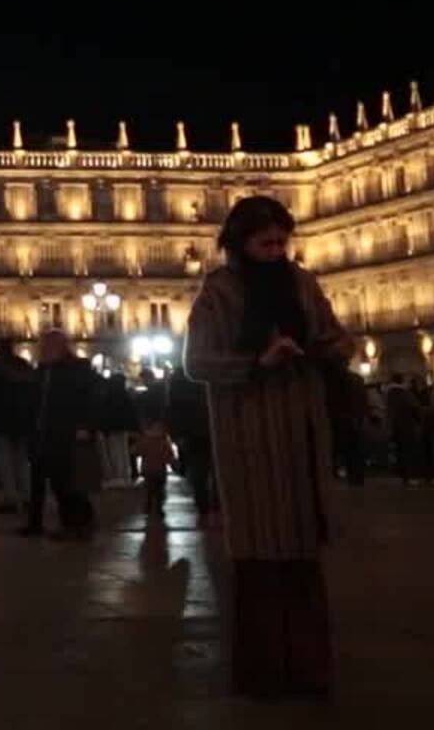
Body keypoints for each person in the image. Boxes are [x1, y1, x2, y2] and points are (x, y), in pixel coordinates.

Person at [184, 195, 352, 699]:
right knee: (258, 553)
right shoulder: (219, 292)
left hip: (301, 425)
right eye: (265, 243)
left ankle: (309, 667)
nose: (275, 251)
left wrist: (330, 347)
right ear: (240, 243)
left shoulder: (303, 283)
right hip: (248, 433)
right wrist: (258, 361)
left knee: (303, 549)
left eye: (281, 242)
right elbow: (198, 363)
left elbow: (334, 333)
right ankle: (262, 671)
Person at [22, 330, 98, 538]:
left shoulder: (77, 369)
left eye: (47, 346)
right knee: (40, 479)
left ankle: (77, 523)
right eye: (42, 346)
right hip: (41, 432)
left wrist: (84, 426)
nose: (43, 349)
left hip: (65, 432)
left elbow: (89, 400)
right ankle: (35, 523)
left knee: (66, 481)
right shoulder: (41, 371)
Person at [0, 341, 40, 515]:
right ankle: (27, 496)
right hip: (23, 421)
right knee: (22, 461)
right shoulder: (24, 366)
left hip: (1, 420)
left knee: (5, 462)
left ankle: (11, 498)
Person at [165, 366, 216, 521]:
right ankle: (217, 504)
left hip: (190, 433)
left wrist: (176, 434)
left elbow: (172, 409)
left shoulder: (177, 383)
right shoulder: (205, 377)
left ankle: (203, 507)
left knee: (197, 471)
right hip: (210, 428)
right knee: (215, 468)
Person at [136, 418, 176, 518]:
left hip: (147, 469)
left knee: (149, 490)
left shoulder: (145, 440)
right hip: (160, 471)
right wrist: (174, 464)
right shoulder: (164, 442)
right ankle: (158, 508)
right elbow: (169, 456)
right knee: (159, 491)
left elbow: (137, 451)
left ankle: (148, 506)